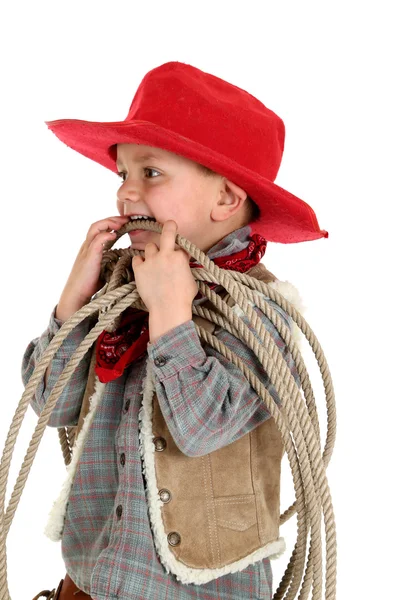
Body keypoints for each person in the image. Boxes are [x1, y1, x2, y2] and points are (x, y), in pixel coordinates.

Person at [23, 61, 328, 600]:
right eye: (122, 175)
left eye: (151, 173)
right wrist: (73, 303)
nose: (126, 194)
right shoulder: (121, 295)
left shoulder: (263, 315)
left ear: (226, 200)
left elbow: (201, 427)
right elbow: (51, 403)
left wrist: (170, 317)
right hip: (90, 584)